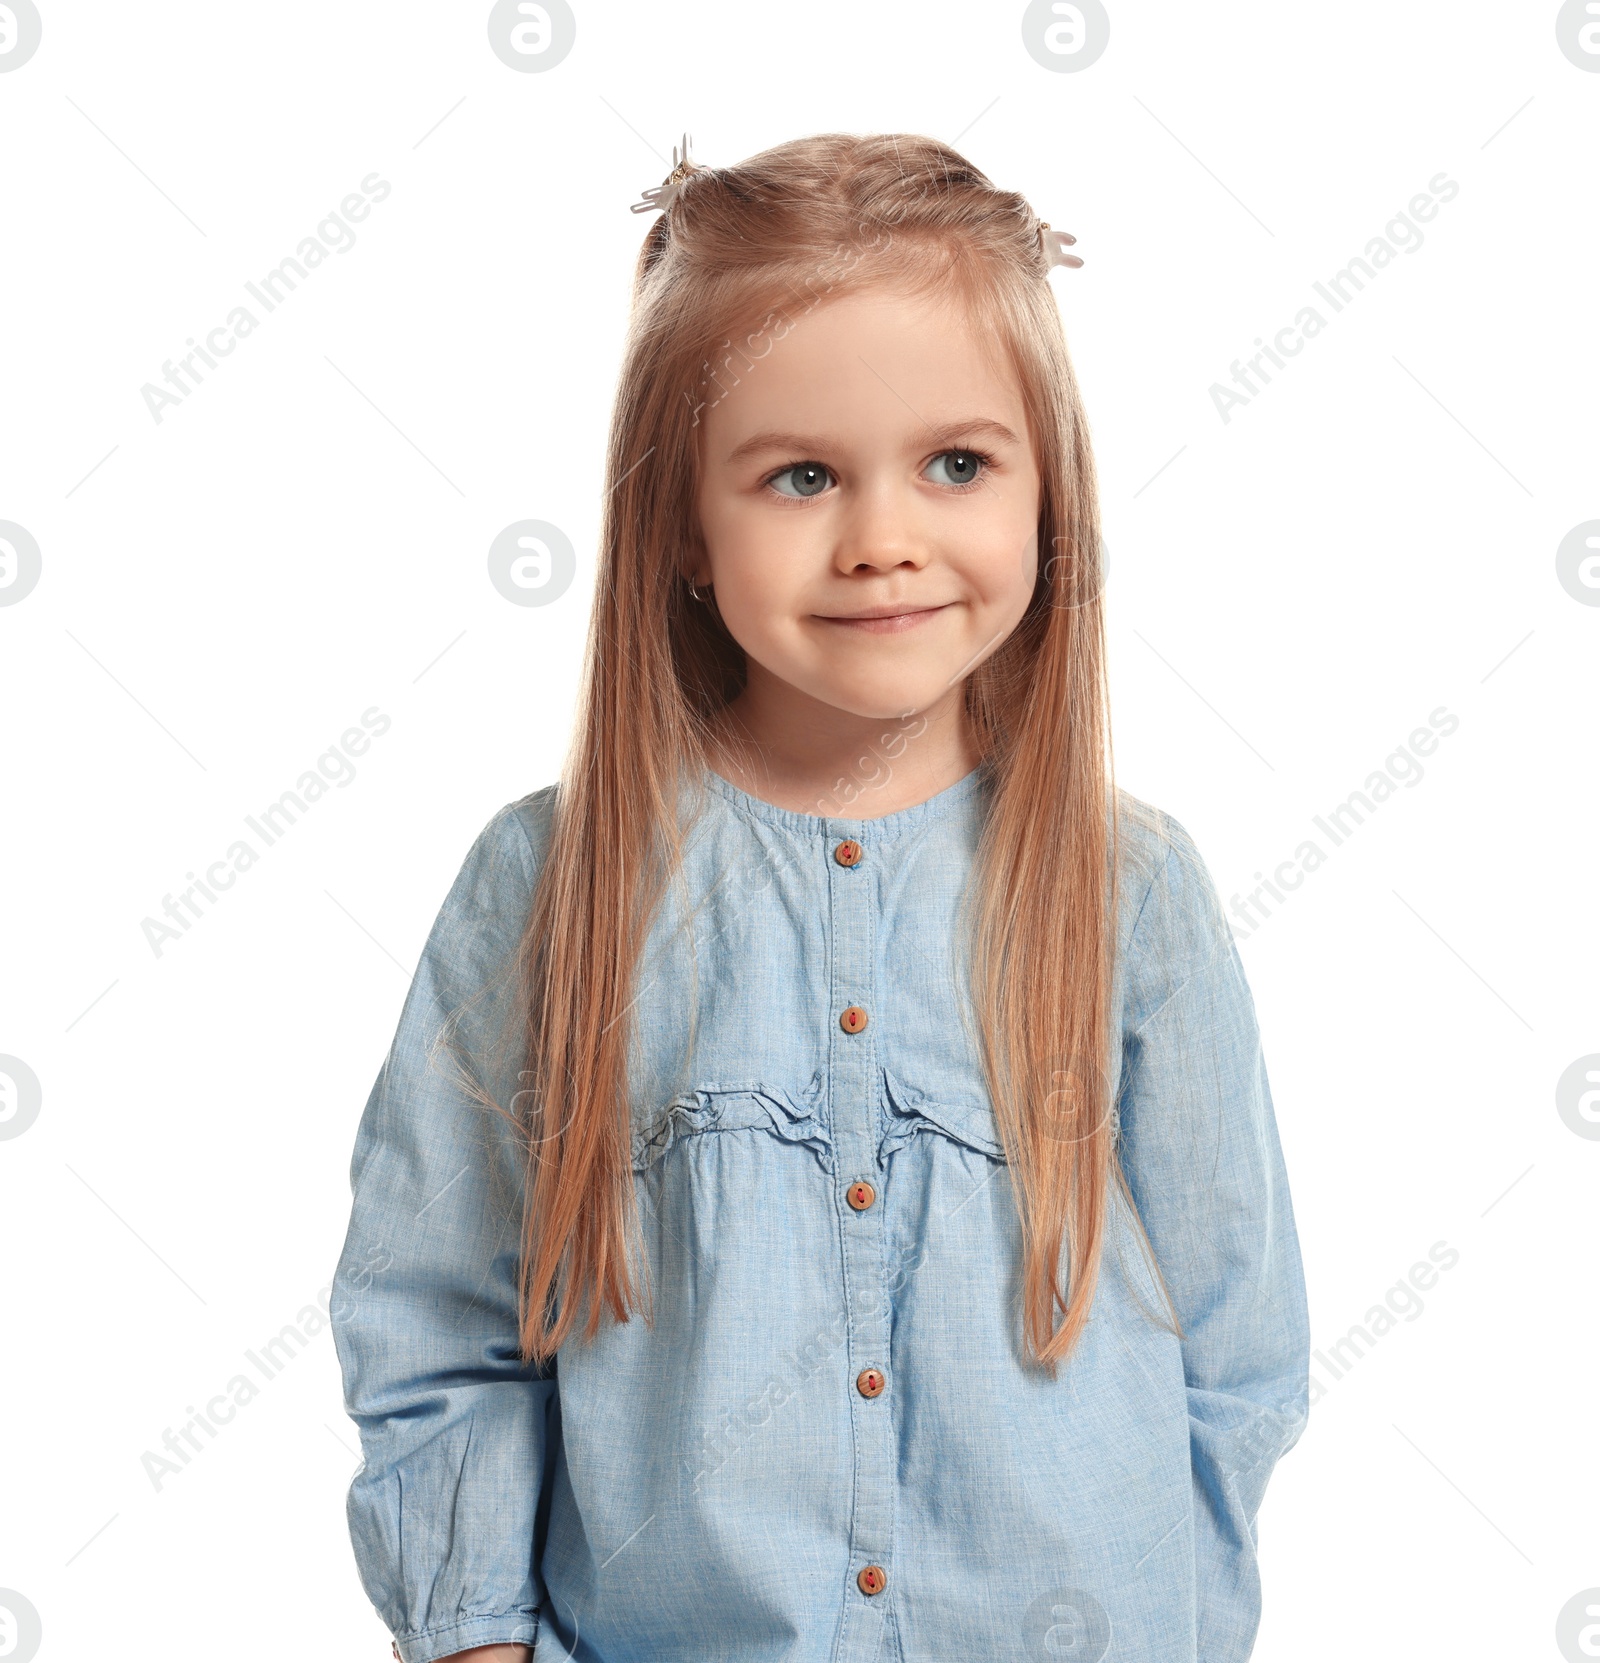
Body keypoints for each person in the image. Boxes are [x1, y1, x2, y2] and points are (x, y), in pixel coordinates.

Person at [330, 130, 1310, 1663]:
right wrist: (473, 1639)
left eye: (958, 464)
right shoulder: (549, 885)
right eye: (800, 476)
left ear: (1049, 491)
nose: (885, 541)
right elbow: (438, 1317)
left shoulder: (1132, 891)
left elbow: (1236, 1353)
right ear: (680, 527)